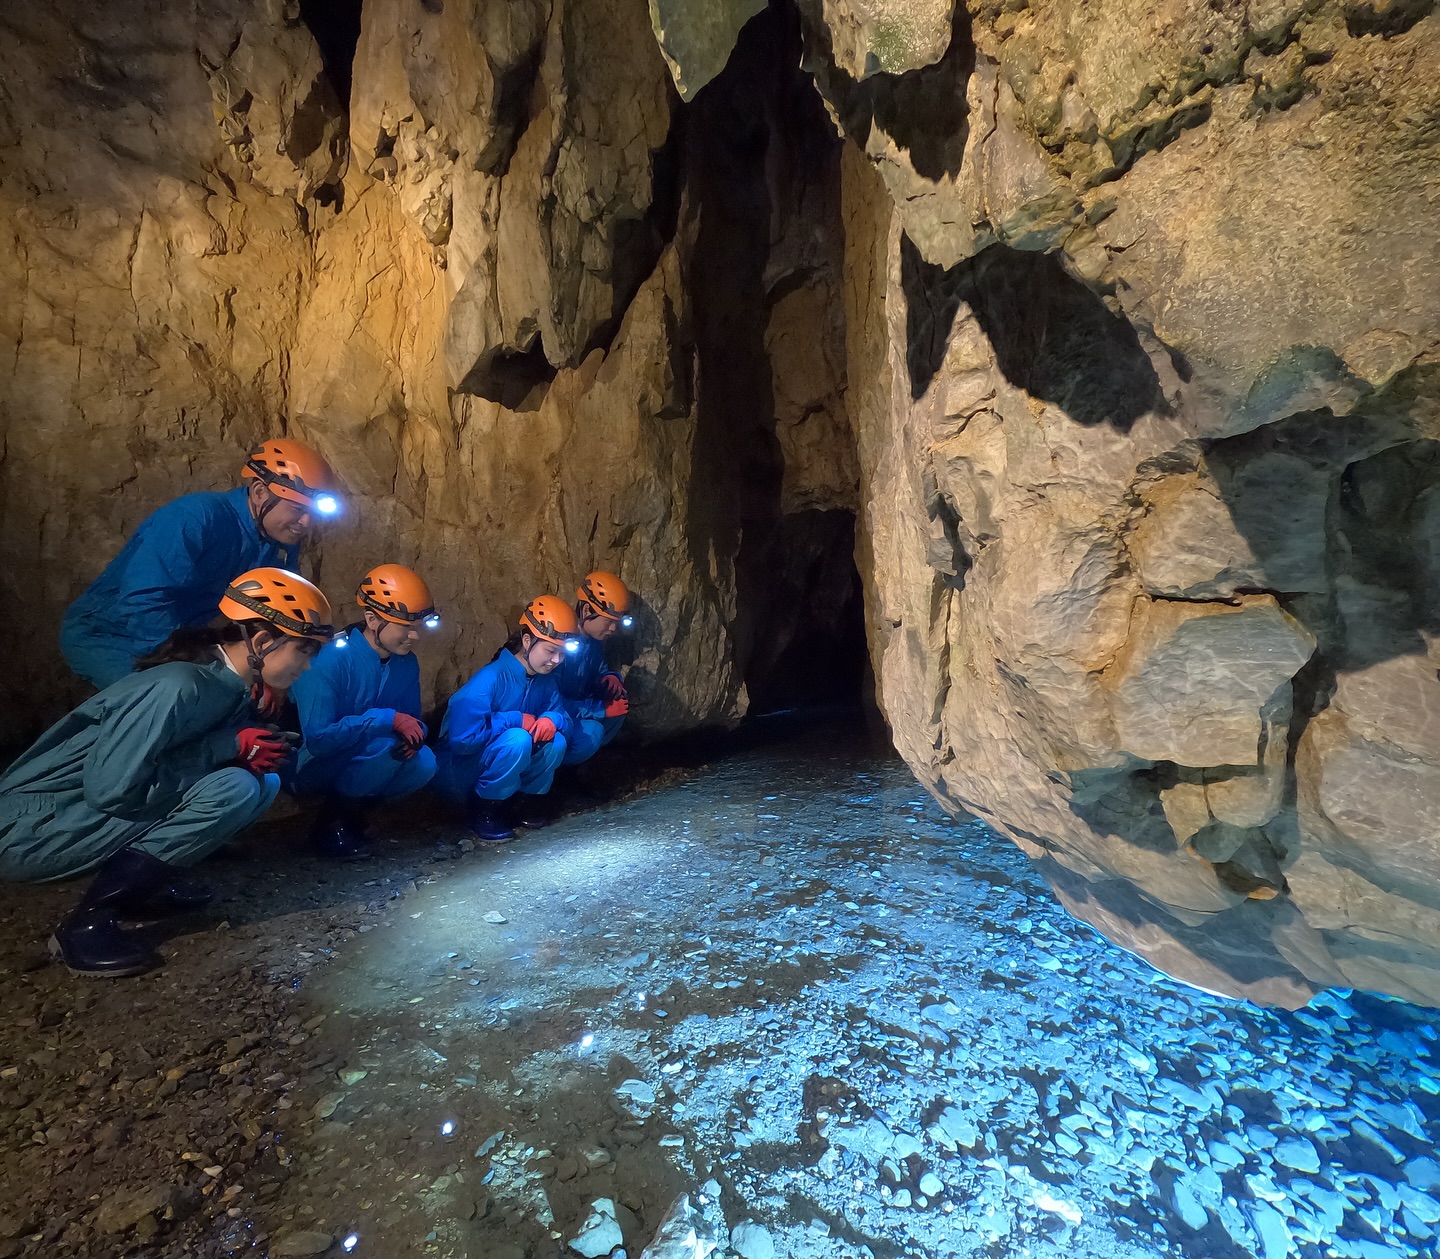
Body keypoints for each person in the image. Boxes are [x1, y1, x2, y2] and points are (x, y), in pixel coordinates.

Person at [0, 568, 334, 977]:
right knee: (235, 787)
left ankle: (141, 891)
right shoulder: (178, 686)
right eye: (304, 650)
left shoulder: (223, 682)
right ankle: (86, 925)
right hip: (27, 830)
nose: (308, 665)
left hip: (64, 813)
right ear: (262, 641)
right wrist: (229, 746)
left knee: (263, 782)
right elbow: (113, 788)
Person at [59, 438, 341, 693]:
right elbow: (143, 600)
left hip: (182, 634)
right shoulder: (195, 518)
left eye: (313, 514)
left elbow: (274, 617)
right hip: (110, 635)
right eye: (297, 509)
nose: (306, 524)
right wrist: (190, 666)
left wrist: (266, 677)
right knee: (178, 706)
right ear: (259, 491)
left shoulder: (280, 543)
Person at [290, 564, 441, 862]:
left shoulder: (405, 663)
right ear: (372, 619)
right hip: (309, 762)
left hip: (366, 754)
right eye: (406, 627)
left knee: (423, 762)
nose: (415, 636)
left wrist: (414, 737)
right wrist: (386, 720)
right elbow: (318, 739)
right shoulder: (329, 660)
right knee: (384, 748)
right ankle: (330, 825)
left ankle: (355, 814)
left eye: (419, 627)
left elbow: (411, 718)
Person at [435, 596, 579, 843]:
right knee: (518, 739)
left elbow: (565, 719)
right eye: (551, 651)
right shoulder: (490, 679)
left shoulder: (545, 681)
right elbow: (462, 741)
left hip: (492, 764)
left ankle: (522, 804)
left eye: (562, 654)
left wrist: (552, 720)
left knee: (556, 742)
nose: (556, 660)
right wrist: (514, 720)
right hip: (456, 771)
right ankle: (484, 812)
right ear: (527, 640)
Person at [555, 571, 634, 768]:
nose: (613, 629)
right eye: (608, 621)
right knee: (593, 731)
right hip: (556, 714)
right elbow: (551, 701)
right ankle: (560, 772)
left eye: (617, 622)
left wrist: (610, 677)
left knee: (618, 705)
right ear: (586, 611)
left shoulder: (592, 643)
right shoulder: (558, 646)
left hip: (575, 708)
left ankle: (585, 763)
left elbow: (599, 669)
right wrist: (601, 710)